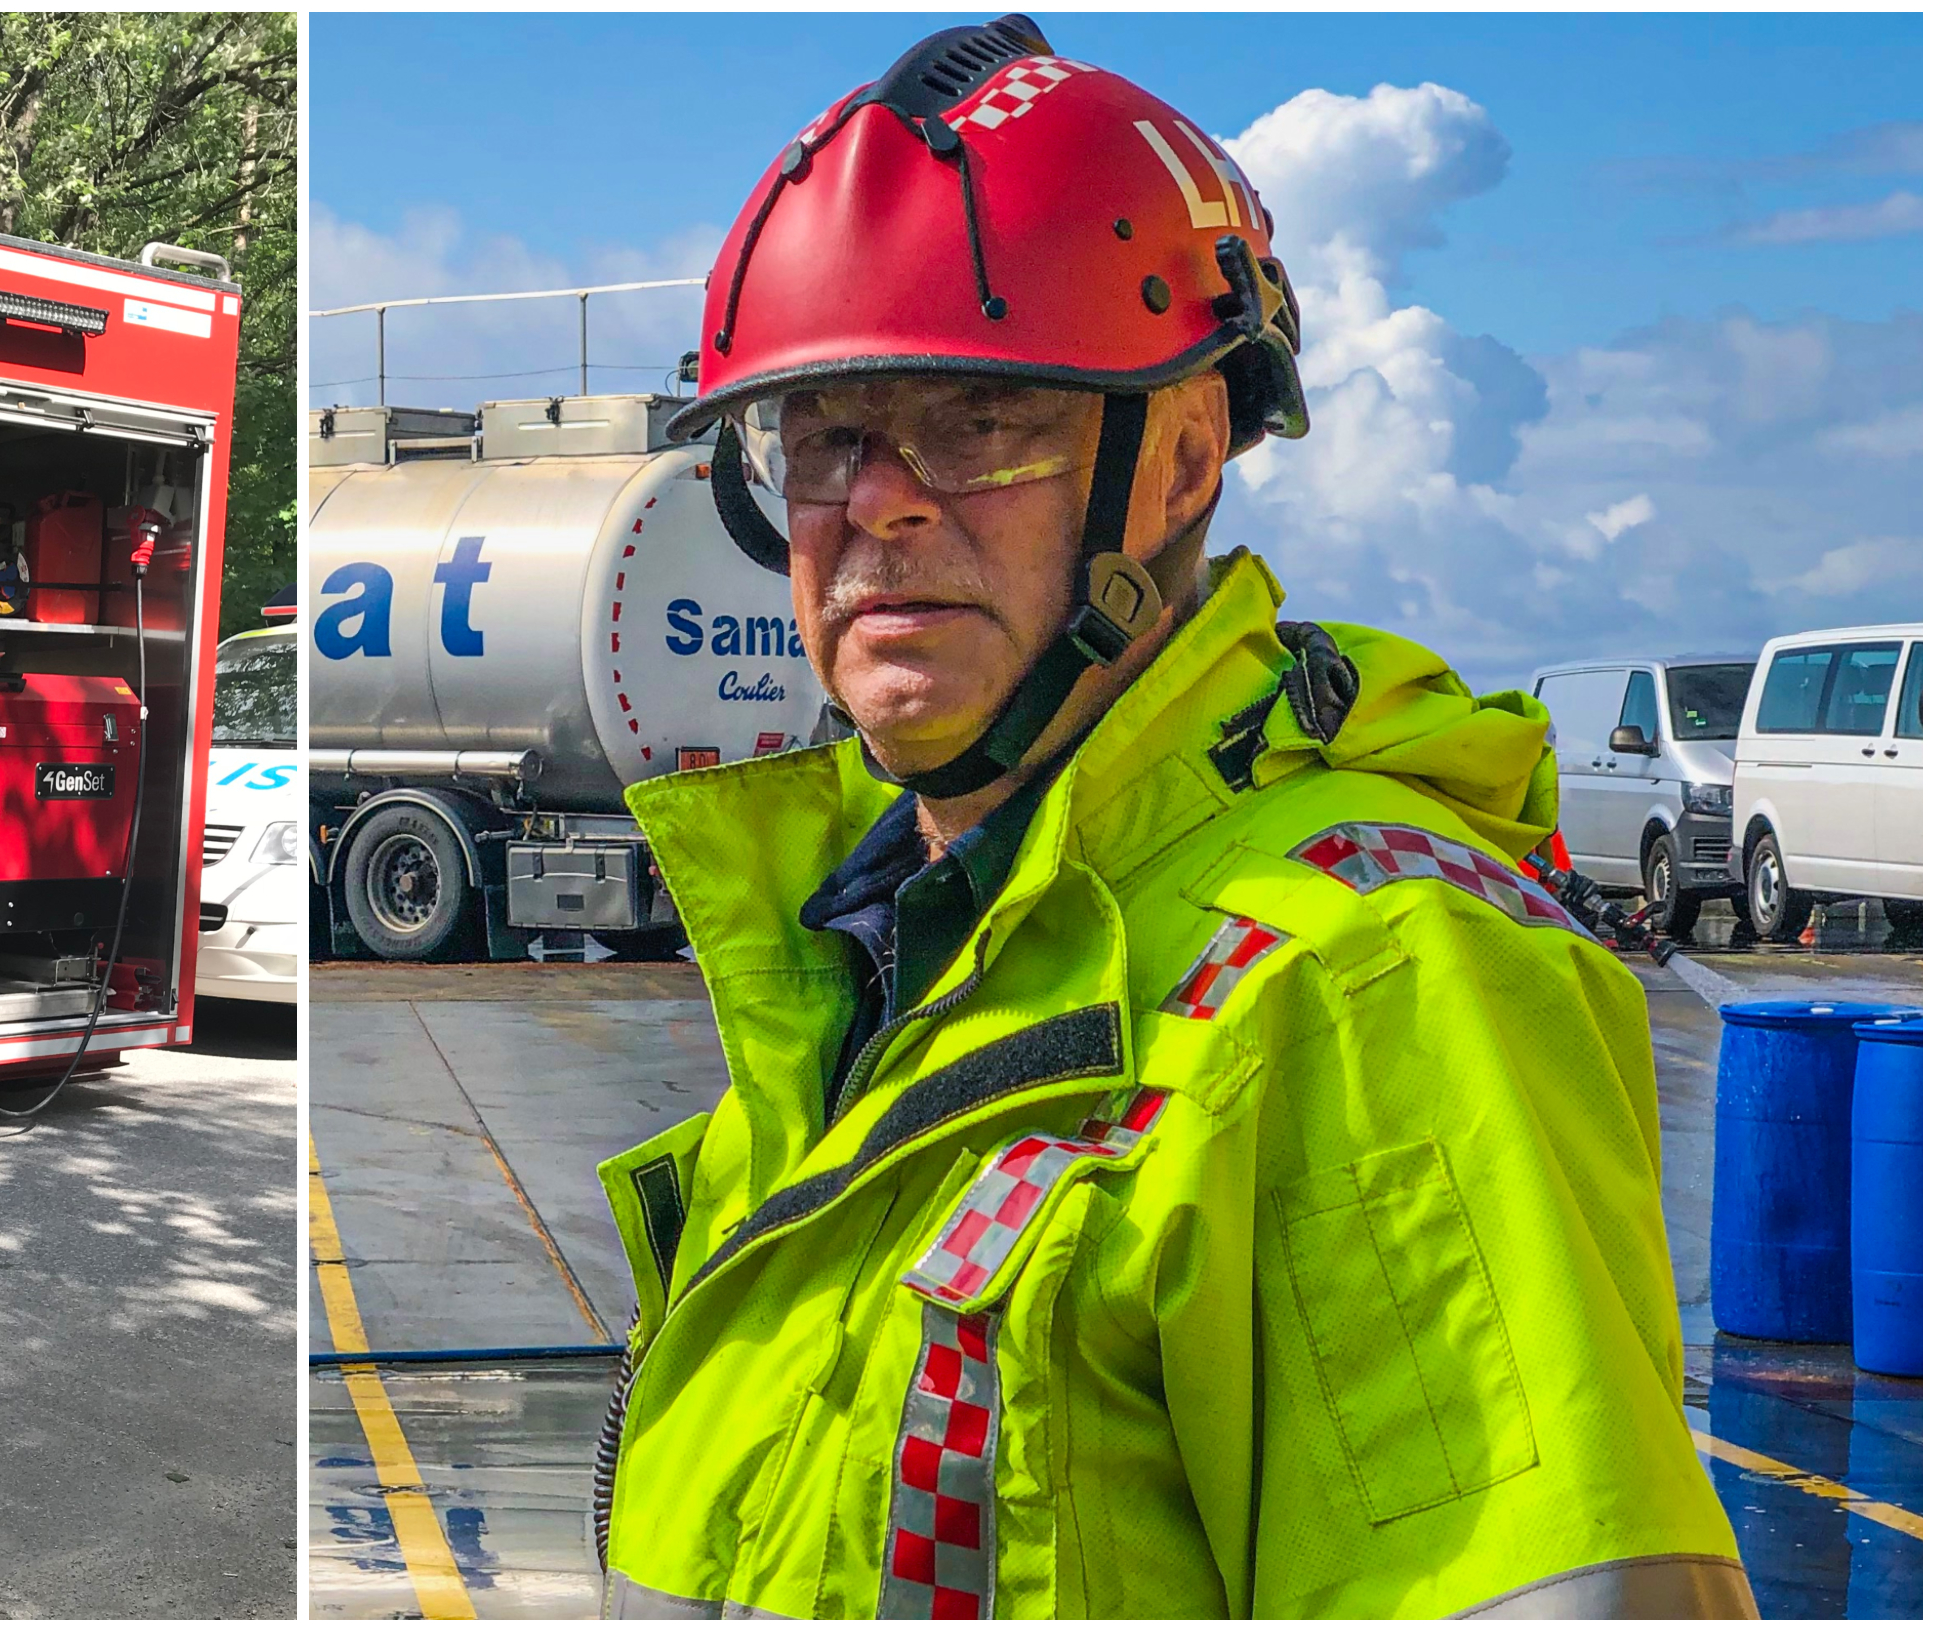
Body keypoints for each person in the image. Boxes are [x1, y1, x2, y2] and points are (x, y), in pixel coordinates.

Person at [589, 14, 1750, 1619]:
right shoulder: (868, 958)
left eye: (979, 419)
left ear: (1187, 455)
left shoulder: (1370, 986)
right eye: (823, 436)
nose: (878, 501)